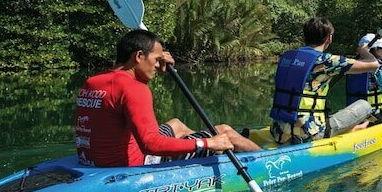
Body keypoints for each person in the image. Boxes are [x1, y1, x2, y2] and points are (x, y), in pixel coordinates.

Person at [75, 29, 259, 167]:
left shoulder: (92, 82)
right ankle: (268, 159)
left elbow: (124, 96)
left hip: (93, 160)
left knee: (176, 124)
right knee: (225, 132)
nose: (158, 65)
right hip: (136, 163)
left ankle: (204, 149)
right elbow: (150, 145)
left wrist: (156, 63)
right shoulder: (134, 89)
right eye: (156, 59)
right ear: (139, 56)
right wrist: (206, 143)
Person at [269, 17, 381, 144]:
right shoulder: (327, 61)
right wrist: (363, 51)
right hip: (310, 134)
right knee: (364, 105)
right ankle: (358, 128)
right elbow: (374, 64)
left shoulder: (287, 57)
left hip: (278, 132)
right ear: (329, 39)